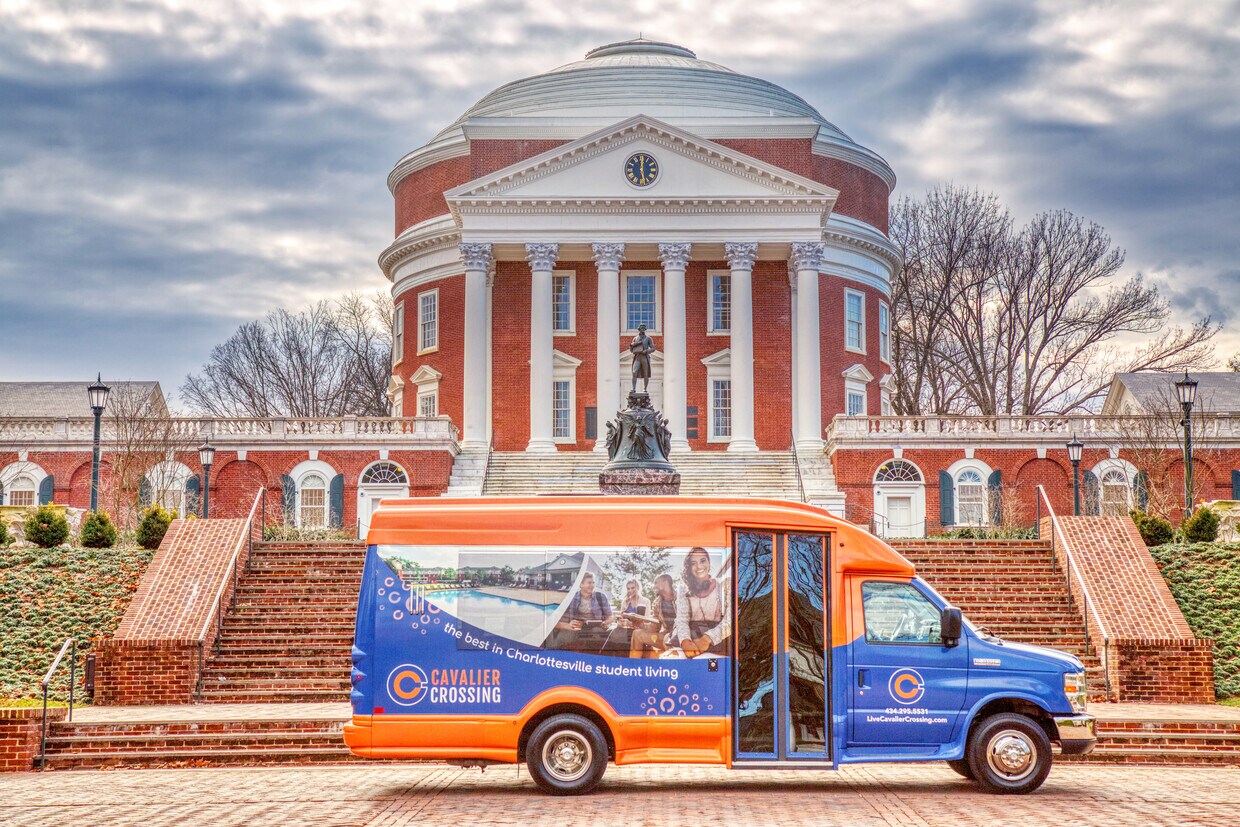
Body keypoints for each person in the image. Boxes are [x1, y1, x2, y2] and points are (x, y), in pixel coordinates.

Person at [672, 548, 730, 658]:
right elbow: (681, 619)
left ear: (709, 562)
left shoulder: (724, 585)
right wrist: (685, 641)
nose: (699, 566)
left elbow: (731, 619)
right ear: (689, 568)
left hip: (718, 638)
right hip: (692, 635)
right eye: (693, 563)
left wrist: (707, 639)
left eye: (703, 561)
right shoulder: (683, 589)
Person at [551, 572, 613, 652]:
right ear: (581, 584)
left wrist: (605, 622)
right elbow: (557, 616)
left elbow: (610, 616)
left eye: (593, 582)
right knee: (566, 637)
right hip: (577, 626)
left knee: (598, 635)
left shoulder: (601, 596)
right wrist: (568, 624)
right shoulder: (572, 597)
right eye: (589, 583)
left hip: (596, 626)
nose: (592, 585)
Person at [628, 573, 677, 659]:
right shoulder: (657, 602)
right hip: (665, 635)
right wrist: (641, 625)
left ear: (665, 583)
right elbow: (655, 627)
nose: (653, 586)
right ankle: (634, 666)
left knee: (668, 639)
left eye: (656, 583)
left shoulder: (681, 597)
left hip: (681, 635)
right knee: (637, 633)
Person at [629, 324, 654, 393]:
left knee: (646, 373)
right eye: (641, 328)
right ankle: (633, 389)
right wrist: (631, 346)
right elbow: (631, 350)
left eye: (643, 328)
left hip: (644, 357)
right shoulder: (635, 338)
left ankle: (645, 389)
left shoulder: (648, 338)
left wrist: (646, 351)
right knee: (634, 372)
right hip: (637, 357)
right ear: (639, 329)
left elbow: (653, 348)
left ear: (645, 329)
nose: (642, 329)